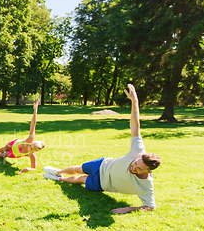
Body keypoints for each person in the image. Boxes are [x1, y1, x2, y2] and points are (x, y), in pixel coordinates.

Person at [43, 84, 162, 214]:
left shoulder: (146, 185)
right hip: (104, 164)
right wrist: (135, 101)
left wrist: (130, 208)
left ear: (149, 172)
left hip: (103, 183)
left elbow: (150, 206)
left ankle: (59, 179)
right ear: (138, 157)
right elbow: (135, 126)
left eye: (139, 169)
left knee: (82, 179)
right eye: (135, 163)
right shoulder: (138, 151)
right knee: (79, 168)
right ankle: (58, 171)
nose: (133, 167)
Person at [0, 99, 45, 174]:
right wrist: (35, 110)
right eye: (30, 145)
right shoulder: (30, 139)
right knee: (4, 148)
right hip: (14, 144)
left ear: (34, 151)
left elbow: (34, 168)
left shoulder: (32, 155)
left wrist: (27, 169)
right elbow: (33, 124)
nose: (29, 147)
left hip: (14, 154)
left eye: (31, 149)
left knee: (2, 155)